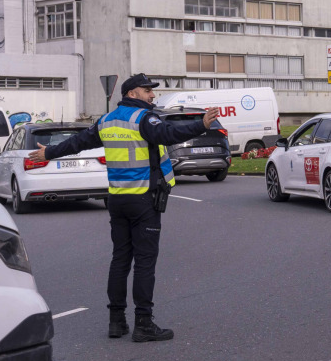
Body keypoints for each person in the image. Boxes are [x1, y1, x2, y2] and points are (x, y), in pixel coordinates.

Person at [28, 74, 219, 342]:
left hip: (117, 199)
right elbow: (169, 133)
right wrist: (200, 124)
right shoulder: (143, 119)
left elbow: (78, 142)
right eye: (147, 91)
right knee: (144, 262)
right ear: (132, 93)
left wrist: (49, 153)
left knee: (120, 260)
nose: (152, 95)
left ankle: (116, 322)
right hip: (143, 199)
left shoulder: (107, 120)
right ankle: (143, 324)